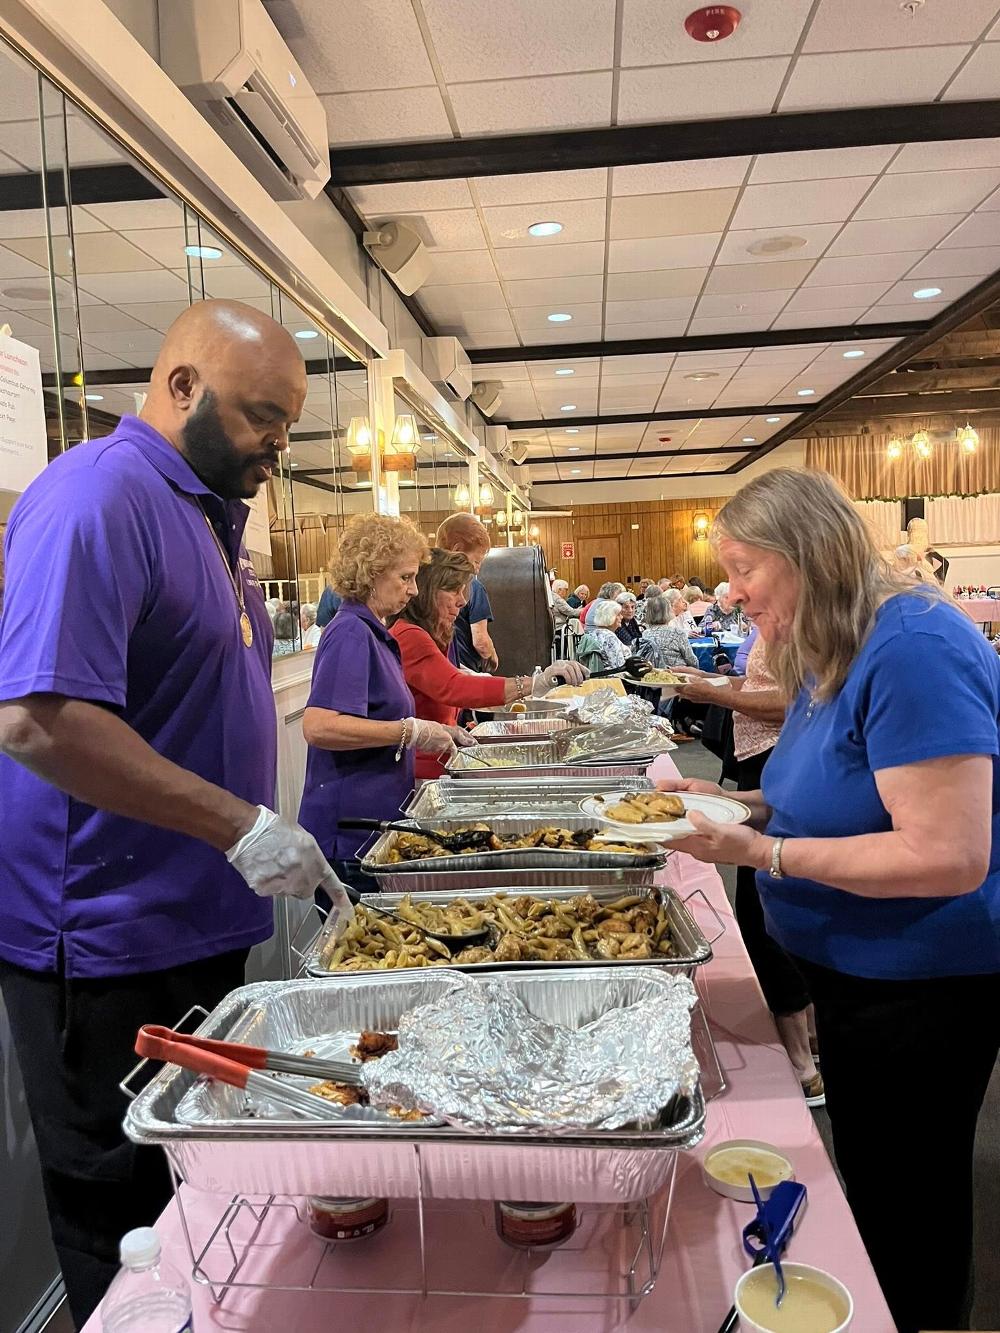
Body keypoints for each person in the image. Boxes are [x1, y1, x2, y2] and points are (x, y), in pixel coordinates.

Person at [0, 298, 346, 1327]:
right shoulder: (98, 495)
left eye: (288, 424)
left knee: (204, 1210)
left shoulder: (204, 511)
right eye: (260, 417)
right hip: (107, 947)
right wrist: (238, 825)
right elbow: (40, 721)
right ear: (181, 386)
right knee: (130, 1232)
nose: (278, 445)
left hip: (192, 929)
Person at [655, 467, 1000, 1333]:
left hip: (921, 987)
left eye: (743, 568)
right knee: (878, 1188)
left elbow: (949, 853)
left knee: (910, 1210)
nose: (731, 593)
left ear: (806, 551)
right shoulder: (833, 640)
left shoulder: (913, 642)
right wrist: (738, 806)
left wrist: (766, 848)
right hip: (854, 979)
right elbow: (828, 793)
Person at [671, 626, 823, 1104]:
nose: (736, 592)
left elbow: (793, 702)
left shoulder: (810, 626)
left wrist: (717, 696)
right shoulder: (780, 622)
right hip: (764, 763)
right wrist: (709, 684)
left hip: (779, 754)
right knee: (771, 908)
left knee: (767, 913)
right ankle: (809, 1038)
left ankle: (800, 1058)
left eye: (746, 573)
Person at [298, 516, 461, 898]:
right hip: (348, 837)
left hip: (370, 827)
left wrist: (431, 730)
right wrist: (410, 731)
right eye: (405, 578)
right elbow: (319, 727)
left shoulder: (374, 632)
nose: (414, 589)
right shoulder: (351, 632)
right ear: (370, 574)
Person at [391, 549, 587, 778]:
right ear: (426, 592)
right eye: (454, 590)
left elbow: (453, 681)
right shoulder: (410, 635)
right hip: (422, 770)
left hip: (439, 759)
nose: (463, 601)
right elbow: (455, 687)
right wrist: (534, 683)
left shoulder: (433, 634)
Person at [637, 593, 698, 671]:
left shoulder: (645, 634)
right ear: (668, 611)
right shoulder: (678, 633)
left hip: (653, 675)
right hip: (678, 675)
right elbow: (692, 661)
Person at [577, 599, 629, 672]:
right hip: (613, 679)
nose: (622, 617)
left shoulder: (592, 634)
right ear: (610, 617)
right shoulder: (609, 638)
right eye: (618, 614)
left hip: (596, 677)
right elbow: (618, 667)